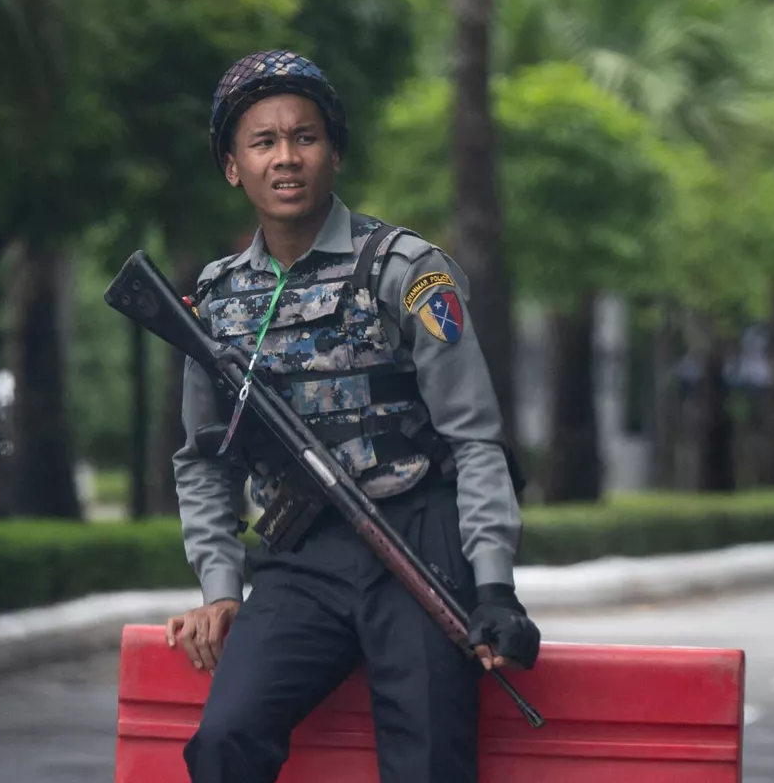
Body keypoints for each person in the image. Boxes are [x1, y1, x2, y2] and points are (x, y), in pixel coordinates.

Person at [167, 49, 541, 783]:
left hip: (419, 546)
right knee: (223, 742)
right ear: (232, 167)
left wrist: (493, 584)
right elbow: (203, 458)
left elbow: (473, 437)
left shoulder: (408, 270)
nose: (286, 158)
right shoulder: (214, 303)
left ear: (334, 153)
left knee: (429, 765)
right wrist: (220, 587)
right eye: (262, 142)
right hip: (302, 558)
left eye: (304, 137)